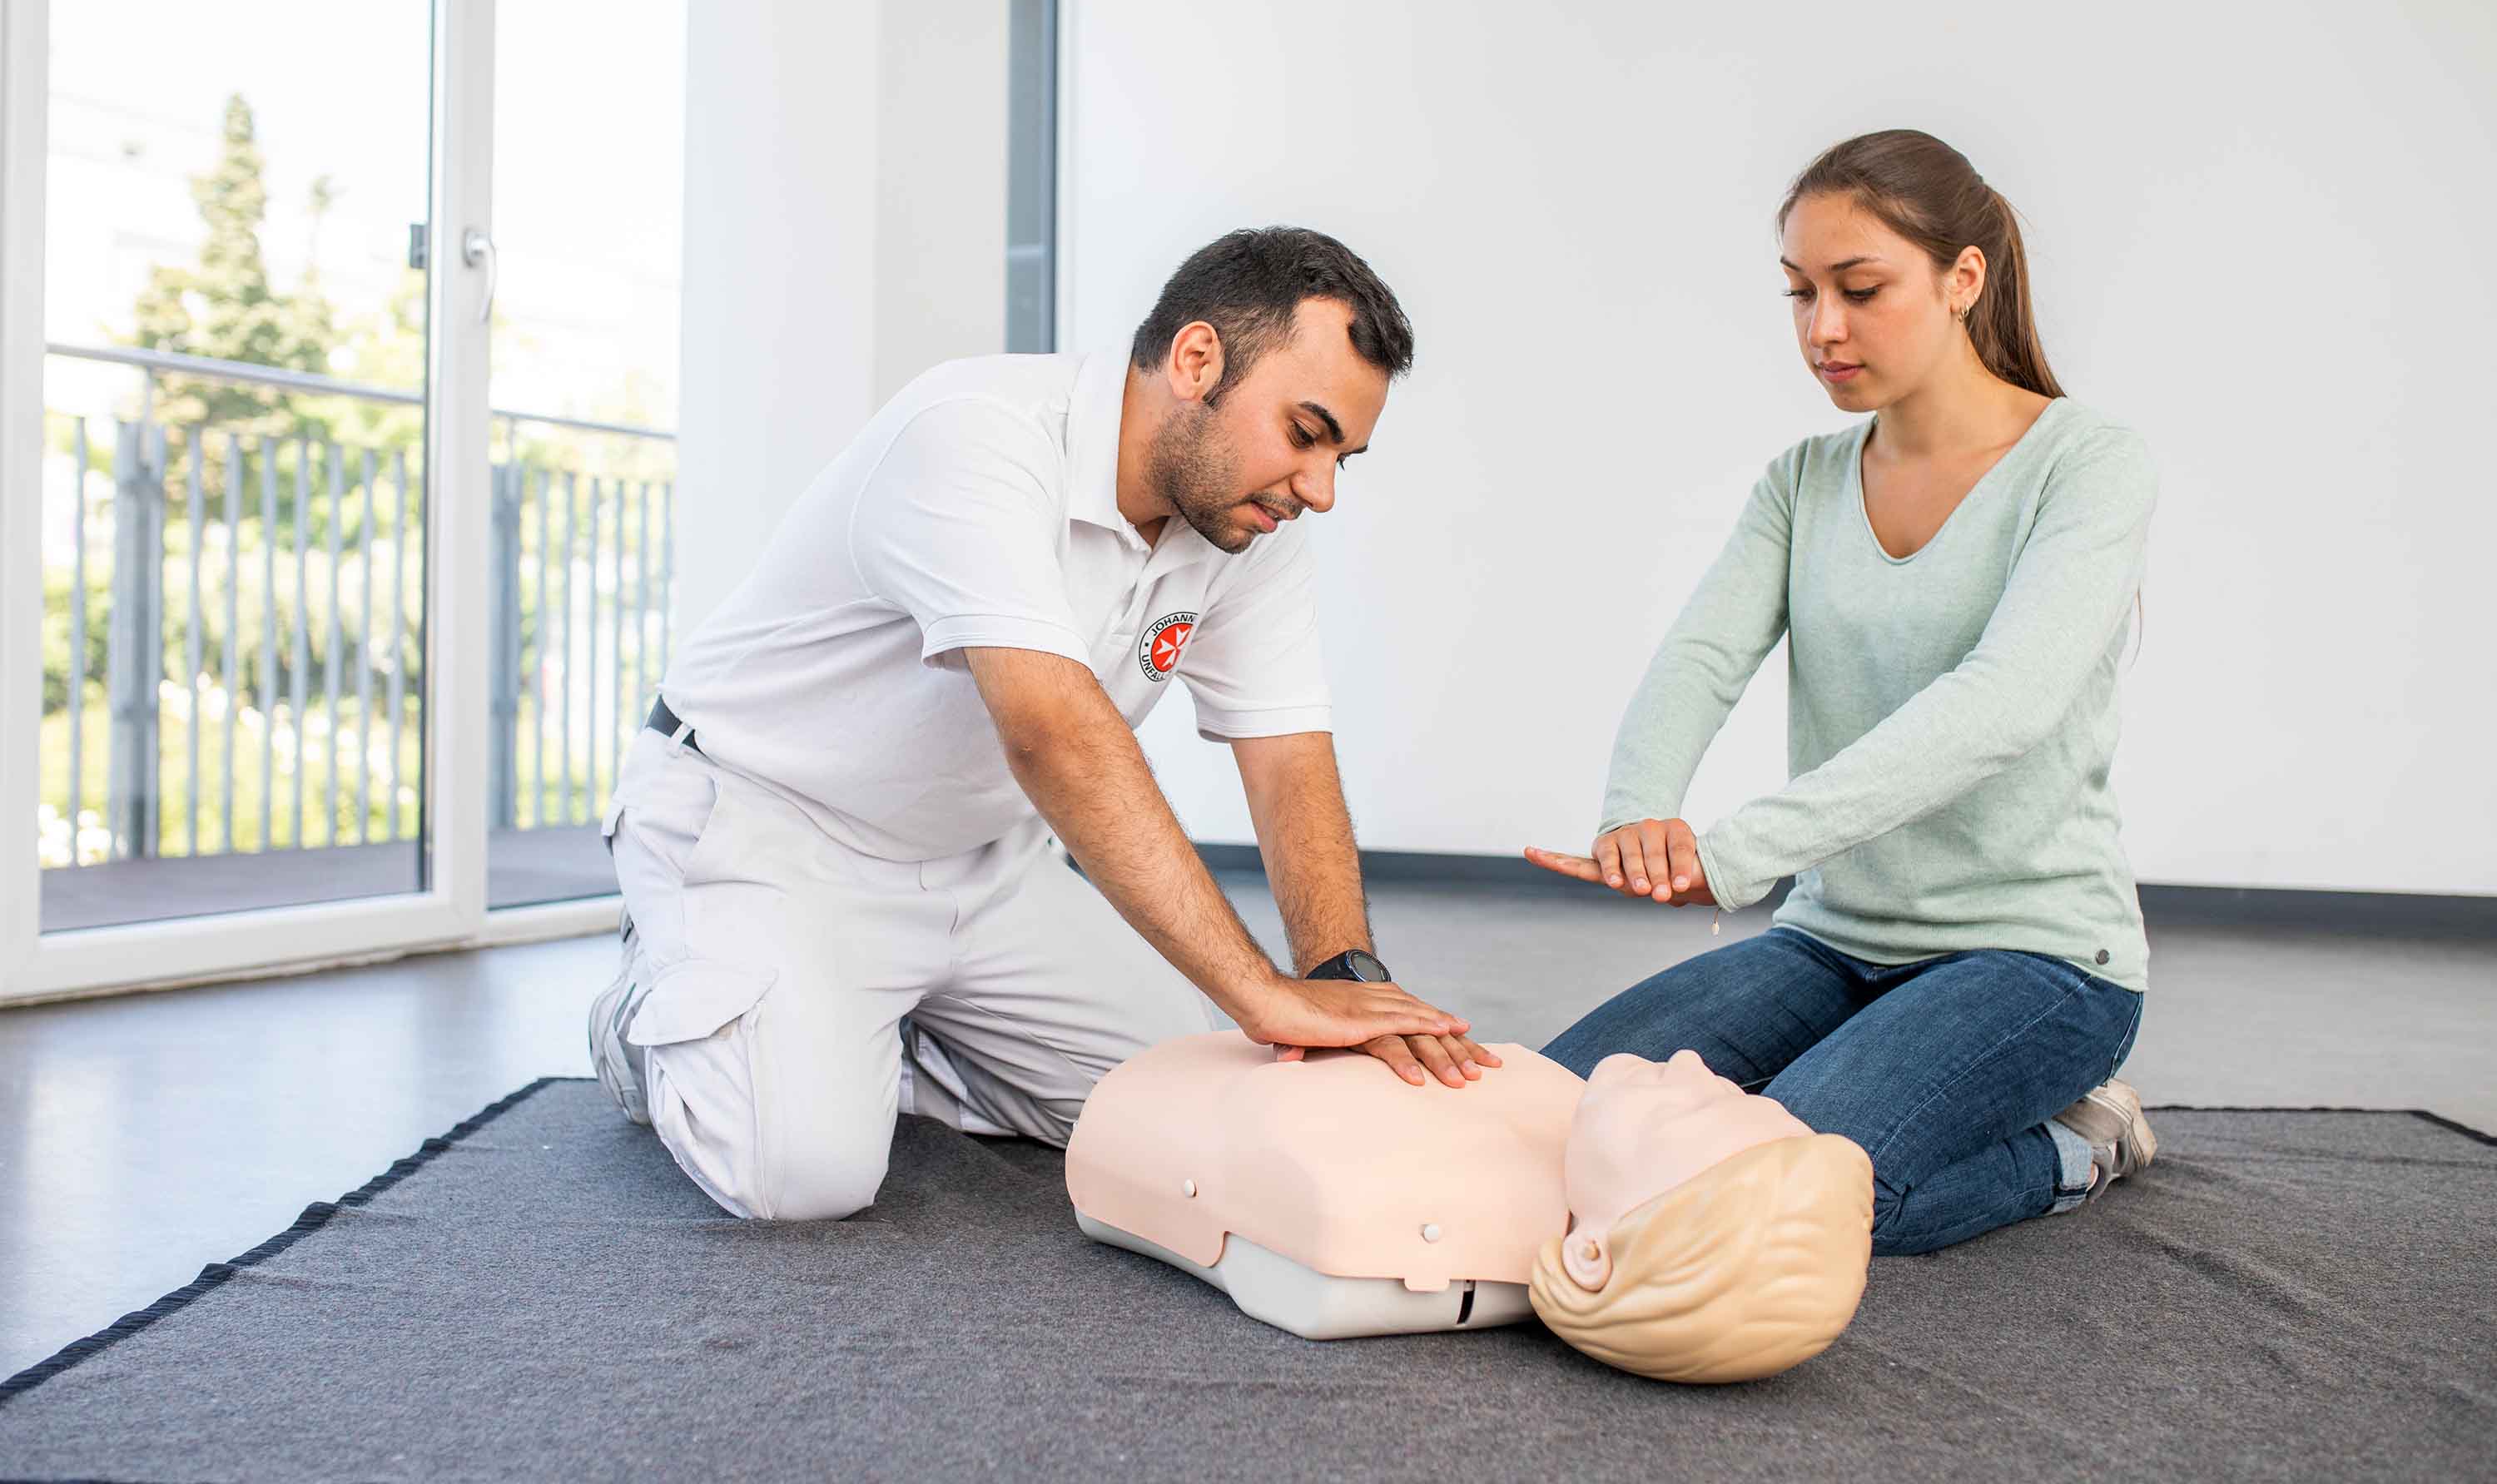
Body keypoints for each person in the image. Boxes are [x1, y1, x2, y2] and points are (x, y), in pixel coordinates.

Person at [592, 226, 1498, 1223]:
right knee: (801, 1177)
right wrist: (1262, 994)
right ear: (1198, 360)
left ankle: (850, 1036)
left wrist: (1343, 980)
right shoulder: (972, 433)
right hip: (764, 829)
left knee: (1174, 1115)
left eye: (1344, 457)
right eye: (1306, 431)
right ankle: (654, 1019)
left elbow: (1288, 758)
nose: (1320, 488)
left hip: (984, 860)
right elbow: (1054, 733)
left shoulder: (1247, 523)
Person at [1526, 130, 2157, 1256]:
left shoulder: (2088, 465)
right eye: (1801, 293)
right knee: (1539, 1119)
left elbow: (2000, 705)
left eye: (1860, 290)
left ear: (1964, 280)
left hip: (2037, 957)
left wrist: (1736, 850)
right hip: (1834, 938)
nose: (1824, 329)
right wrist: (1639, 814)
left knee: (1782, 1192)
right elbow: (1701, 659)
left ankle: (2079, 1143)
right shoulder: (1803, 482)